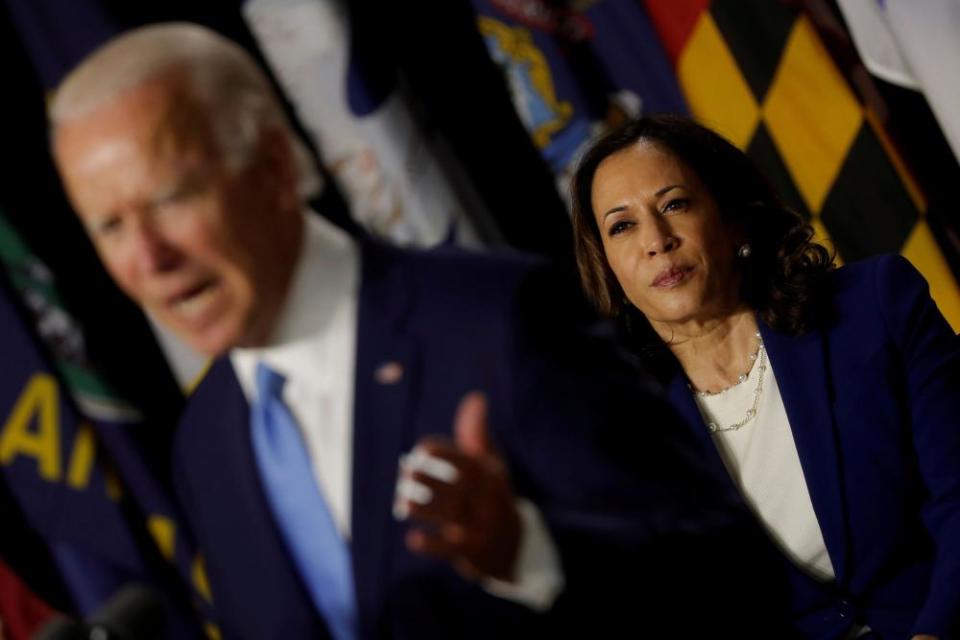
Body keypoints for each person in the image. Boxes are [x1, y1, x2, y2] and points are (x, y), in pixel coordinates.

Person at [48, 25, 775, 639]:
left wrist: (534, 555)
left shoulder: (494, 320)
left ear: (272, 167)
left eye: (172, 197)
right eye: (110, 225)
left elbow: (730, 576)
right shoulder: (206, 445)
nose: (147, 258)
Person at [571, 114, 960, 640]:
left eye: (675, 205)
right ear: (608, 267)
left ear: (733, 220)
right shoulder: (626, 433)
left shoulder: (875, 307)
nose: (656, 240)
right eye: (622, 226)